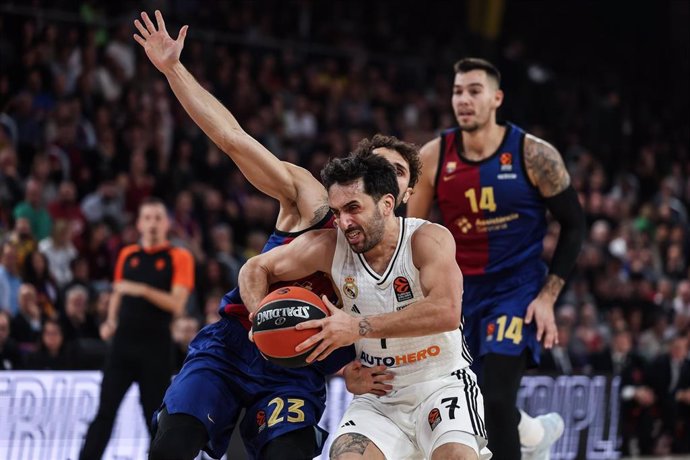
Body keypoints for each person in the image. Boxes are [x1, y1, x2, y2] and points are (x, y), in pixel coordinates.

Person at [134, 10, 421, 460]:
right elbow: (233, 138)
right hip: (234, 344)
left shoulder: (410, 258)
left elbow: (386, 339)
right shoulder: (314, 203)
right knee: (172, 445)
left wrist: (355, 370)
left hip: (297, 374)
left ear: (403, 195)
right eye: (376, 167)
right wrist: (174, 70)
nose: (384, 177)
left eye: (396, 172)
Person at [240, 154, 490, 460]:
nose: (344, 222)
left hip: (440, 383)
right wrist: (258, 316)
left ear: (386, 204)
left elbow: (447, 312)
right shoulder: (329, 246)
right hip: (378, 395)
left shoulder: (427, 239)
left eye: (353, 208)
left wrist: (357, 326)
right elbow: (255, 268)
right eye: (337, 212)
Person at [406, 58, 586, 460]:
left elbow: (575, 225)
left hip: (515, 291)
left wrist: (547, 297)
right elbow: (412, 232)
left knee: (496, 398)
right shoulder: (434, 156)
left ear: (496, 99)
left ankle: (530, 436)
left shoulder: (533, 155)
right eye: (457, 91)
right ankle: (535, 434)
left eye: (474, 91)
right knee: (464, 400)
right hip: (458, 292)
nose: (464, 100)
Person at [79, 197, 194, 460]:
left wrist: (141, 289)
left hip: (155, 348)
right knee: (105, 412)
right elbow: (118, 292)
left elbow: (177, 304)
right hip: (122, 346)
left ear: (166, 224)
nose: (153, 223)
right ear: (139, 224)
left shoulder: (179, 256)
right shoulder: (127, 254)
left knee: (155, 417)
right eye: (148, 218)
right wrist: (110, 320)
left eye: (158, 218)